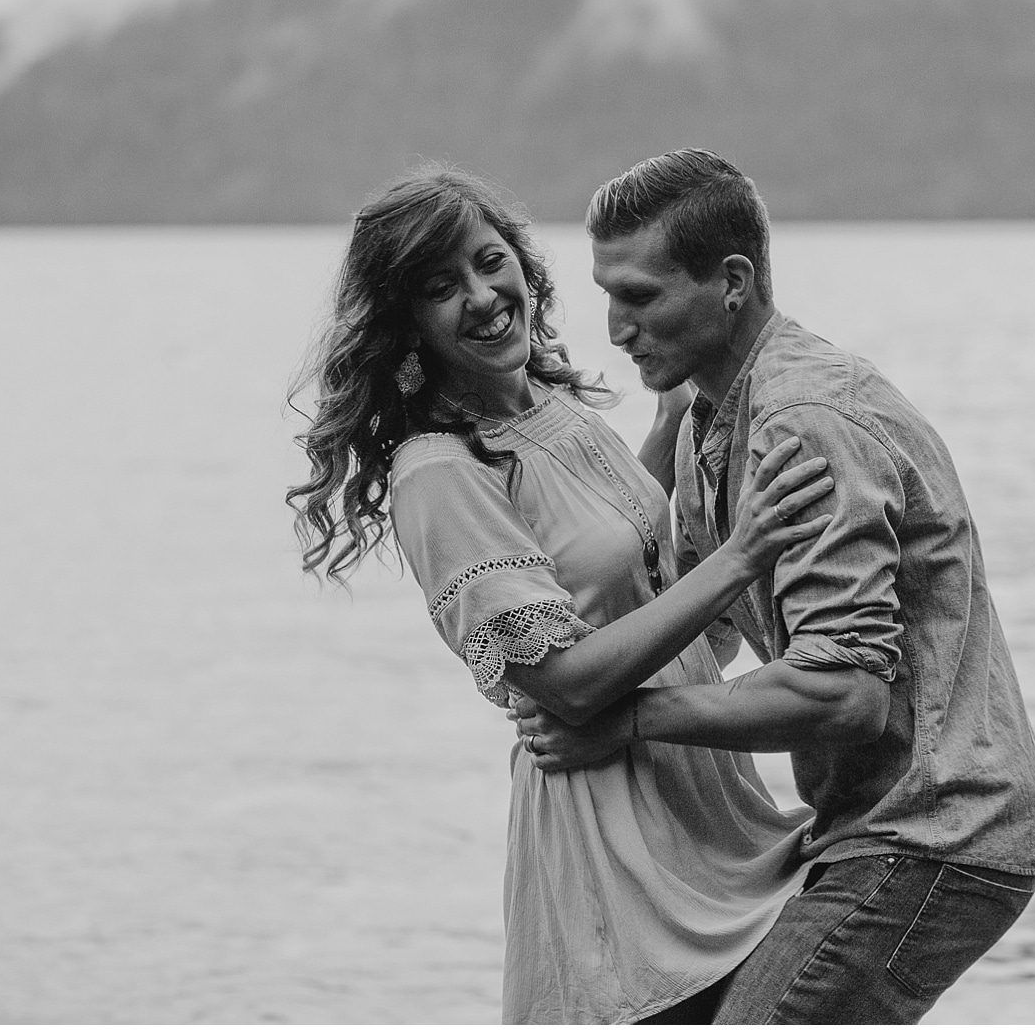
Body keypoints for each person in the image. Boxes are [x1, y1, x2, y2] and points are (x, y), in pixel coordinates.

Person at [515, 149, 1035, 1024]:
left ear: (732, 282)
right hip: (862, 830)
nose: (616, 327)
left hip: (938, 830)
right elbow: (705, 639)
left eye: (642, 296)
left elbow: (843, 694)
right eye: (606, 295)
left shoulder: (803, 422)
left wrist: (619, 721)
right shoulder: (711, 415)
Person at [288, 166, 853, 1024]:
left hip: (705, 805)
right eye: (442, 289)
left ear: (524, 261)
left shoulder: (550, 407)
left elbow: (616, 550)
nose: (482, 298)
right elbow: (570, 682)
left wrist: (669, 431)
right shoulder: (439, 472)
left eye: (490, 261)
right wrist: (740, 558)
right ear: (405, 325)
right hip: (616, 844)